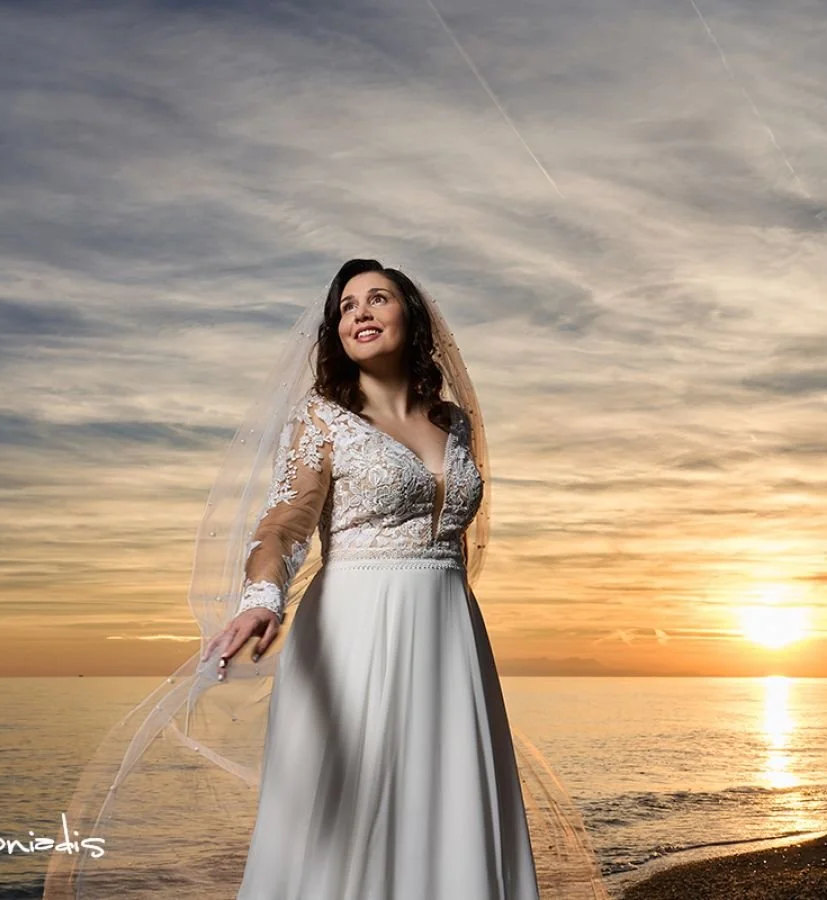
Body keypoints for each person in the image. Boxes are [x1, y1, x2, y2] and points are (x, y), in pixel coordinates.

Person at [42, 260, 607, 900]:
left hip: (450, 631)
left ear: (412, 317)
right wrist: (261, 600)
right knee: (346, 811)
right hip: (353, 631)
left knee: (450, 793)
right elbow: (283, 526)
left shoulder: (455, 422)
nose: (360, 312)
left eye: (378, 298)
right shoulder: (321, 419)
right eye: (346, 306)